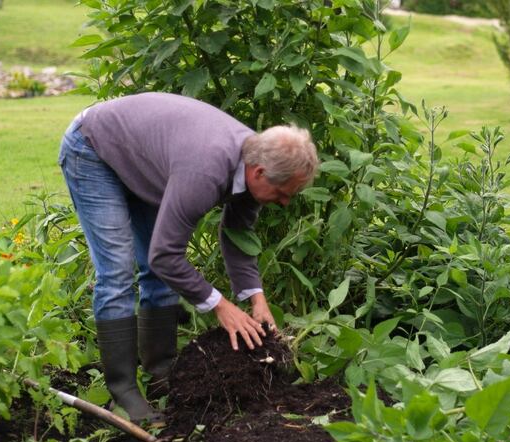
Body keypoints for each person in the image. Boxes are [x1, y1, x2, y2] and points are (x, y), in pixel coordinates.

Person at [58, 92, 318, 423]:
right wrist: (220, 307)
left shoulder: (254, 163)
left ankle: (161, 375)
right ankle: (124, 394)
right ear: (259, 173)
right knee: (118, 272)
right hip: (94, 148)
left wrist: (256, 298)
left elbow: (236, 238)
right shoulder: (206, 168)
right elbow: (166, 256)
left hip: (140, 158)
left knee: (156, 273)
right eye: (282, 194)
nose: (284, 203)